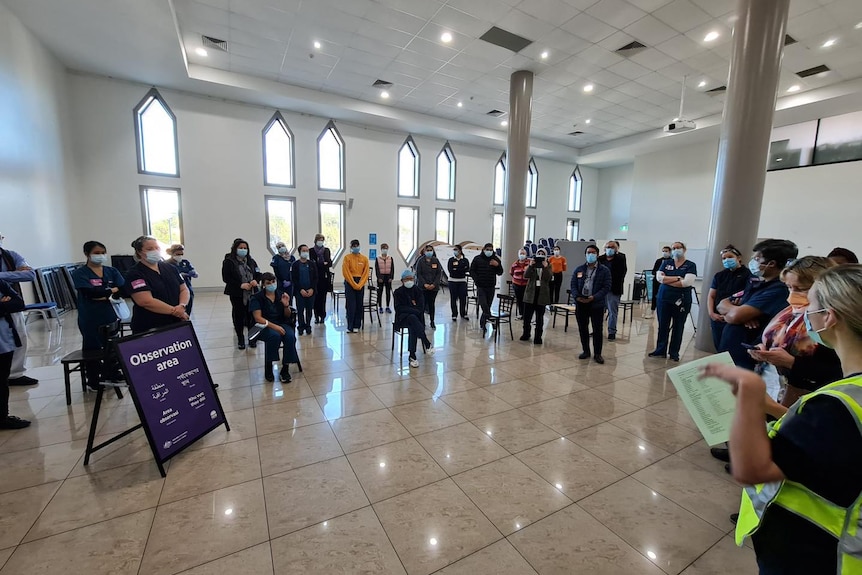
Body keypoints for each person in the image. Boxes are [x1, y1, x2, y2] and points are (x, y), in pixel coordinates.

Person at [701, 264, 862, 575]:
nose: (802, 311)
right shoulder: (846, 398)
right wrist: (773, 409)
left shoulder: (836, 403)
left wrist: (748, 395)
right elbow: (829, 440)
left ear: (829, 317)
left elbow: (751, 469)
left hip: (819, 554)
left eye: (810, 303)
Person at [748, 256, 842, 406]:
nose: (792, 294)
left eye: (800, 289)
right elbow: (767, 336)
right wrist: (760, 348)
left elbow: (839, 372)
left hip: (806, 398)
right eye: (789, 287)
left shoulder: (831, 320)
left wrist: (791, 362)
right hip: (770, 387)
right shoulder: (789, 311)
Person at [717, 239, 798, 370]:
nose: (753, 262)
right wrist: (737, 313)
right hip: (732, 354)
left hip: (748, 357)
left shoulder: (778, 289)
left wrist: (736, 315)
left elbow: (735, 316)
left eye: (757, 259)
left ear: (771, 263)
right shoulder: (758, 284)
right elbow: (722, 304)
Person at [71, 241, 126, 390]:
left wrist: (105, 293)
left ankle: (112, 373)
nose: (100, 255)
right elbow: (90, 293)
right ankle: (94, 379)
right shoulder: (80, 273)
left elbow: (122, 288)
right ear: (87, 254)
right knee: (92, 348)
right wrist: (110, 291)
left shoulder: (111, 271)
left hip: (110, 314)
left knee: (112, 345)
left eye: (103, 252)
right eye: (96, 253)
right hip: (90, 316)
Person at [126, 236, 189, 335]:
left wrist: (182, 306)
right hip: (150, 325)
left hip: (175, 321)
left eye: (157, 248)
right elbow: (145, 301)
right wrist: (176, 311)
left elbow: (184, 289)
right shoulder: (135, 274)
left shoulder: (170, 268)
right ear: (139, 252)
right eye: (149, 249)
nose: (155, 251)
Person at [649, 241, 697, 362]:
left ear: (684, 249)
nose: (676, 250)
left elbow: (687, 282)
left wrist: (667, 279)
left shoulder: (690, 265)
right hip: (664, 298)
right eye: (673, 248)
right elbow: (660, 278)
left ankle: (674, 352)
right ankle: (660, 350)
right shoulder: (666, 263)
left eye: (678, 248)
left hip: (682, 300)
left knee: (678, 326)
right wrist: (677, 278)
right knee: (663, 326)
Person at [0, 234, 38, 386]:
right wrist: (14, 275)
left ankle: (15, 374)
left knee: (19, 337)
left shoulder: (10, 256)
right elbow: (20, 274)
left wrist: (1, 276)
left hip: (11, 301)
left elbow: (29, 274)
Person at [249, 273, 298, 383]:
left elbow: (287, 315)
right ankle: (268, 367)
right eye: (268, 283)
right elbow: (258, 318)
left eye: (273, 282)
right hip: (263, 325)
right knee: (274, 336)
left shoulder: (280, 295)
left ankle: (285, 369)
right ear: (263, 285)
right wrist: (275, 327)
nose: (271, 285)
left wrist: (286, 305)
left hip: (281, 322)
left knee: (290, 336)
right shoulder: (257, 297)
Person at [572, 245, 612, 364]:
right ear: (585, 255)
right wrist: (577, 296)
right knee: (583, 328)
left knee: (597, 329)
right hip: (581, 303)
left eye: (593, 252)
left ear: (597, 254)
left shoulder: (604, 270)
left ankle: (598, 354)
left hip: (596, 304)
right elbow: (573, 284)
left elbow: (606, 287)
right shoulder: (579, 269)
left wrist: (594, 297)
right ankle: (586, 351)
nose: (591, 254)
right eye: (589, 252)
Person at [707, 245, 751, 350]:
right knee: (719, 348)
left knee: (731, 349)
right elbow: (711, 295)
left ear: (739, 258)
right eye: (724, 258)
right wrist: (711, 313)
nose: (727, 260)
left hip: (735, 319)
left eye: (730, 257)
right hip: (717, 319)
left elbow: (750, 296)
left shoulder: (748, 275)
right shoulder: (719, 276)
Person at [222, 238, 262, 349]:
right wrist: (240, 285)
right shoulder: (229, 261)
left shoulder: (251, 261)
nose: (243, 250)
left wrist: (256, 280)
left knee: (252, 316)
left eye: (245, 248)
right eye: (240, 248)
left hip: (252, 293)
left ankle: (252, 338)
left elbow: (258, 273)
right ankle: (240, 338)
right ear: (235, 249)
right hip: (237, 293)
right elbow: (226, 278)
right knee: (239, 316)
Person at [1, 279, 30, 429]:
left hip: (4, 340)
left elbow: (19, 303)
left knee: (2, 380)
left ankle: (2, 417)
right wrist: (5, 305)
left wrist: (3, 305)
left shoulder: (1, 283)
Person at [393, 269, 434, 368]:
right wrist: (413, 308)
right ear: (402, 280)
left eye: (411, 278)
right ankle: (426, 342)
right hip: (402, 319)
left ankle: (412, 356)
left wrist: (409, 309)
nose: (409, 281)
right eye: (407, 279)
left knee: (413, 322)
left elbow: (421, 308)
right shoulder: (398, 292)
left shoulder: (418, 291)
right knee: (413, 319)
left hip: (415, 318)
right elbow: (398, 308)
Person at [520, 248, 553, 345]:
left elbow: (549, 278)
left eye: (542, 254)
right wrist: (530, 266)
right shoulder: (532, 264)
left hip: (542, 295)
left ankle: (538, 337)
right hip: (530, 294)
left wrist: (545, 267)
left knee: (540, 317)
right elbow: (526, 275)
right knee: (527, 317)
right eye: (539, 253)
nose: (540, 255)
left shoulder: (548, 265)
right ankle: (526, 334)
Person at [470, 243, 503, 335]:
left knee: (488, 306)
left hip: (491, 286)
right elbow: (472, 270)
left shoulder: (495, 259)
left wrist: (497, 265)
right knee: (484, 305)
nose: (489, 251)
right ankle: (492, 321)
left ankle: (483, 323)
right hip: (481, 286)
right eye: (487, 249)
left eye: (491, 249)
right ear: (484, 249)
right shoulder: (477, 259)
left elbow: (500, 272)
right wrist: (476, 280)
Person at [598, 240, 627, 341]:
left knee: (612, 311)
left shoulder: (620, 258)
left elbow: (622, 273)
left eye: (612, 247)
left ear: (616, 249)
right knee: (598, 311)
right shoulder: (600, 259)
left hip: (613, 289)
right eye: (608, 247)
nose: (610, 249)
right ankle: (597, 330)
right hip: (601, 289)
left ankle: (612, 332)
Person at [342, 239, 369, 333]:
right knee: (351, 305)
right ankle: (350, 326)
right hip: (350, 282)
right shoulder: (347, 258)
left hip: (360, 283)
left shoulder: (364, 258)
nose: (355, 247)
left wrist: (360, 284)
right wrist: (353, 283)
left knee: (359, 304)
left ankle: (357, 325)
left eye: (357, 245)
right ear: (351, 247)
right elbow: (346, 272)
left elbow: (365, 273)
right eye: (353, 246)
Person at [290, 245, 317, 335]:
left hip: (310, 291)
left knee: (309, 309)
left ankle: (308, 325)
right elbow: (294, 279)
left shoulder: (312, 264)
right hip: (299, 292)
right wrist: (300, 289)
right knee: (300, 310)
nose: (305, 252)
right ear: (299, 252)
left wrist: (312, 289)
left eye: (307, 250)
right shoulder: (295, 264)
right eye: (303, 250)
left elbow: (315, 278)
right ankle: (301, 326)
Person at [415, 244, 443, 329]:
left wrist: (434, 284)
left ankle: (432, 321)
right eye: (428, 250)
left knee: (431, 304)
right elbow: (419, 274)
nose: (429, 252)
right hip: (423, 287)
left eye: (431, 250)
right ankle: (422, 322)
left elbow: (439, 273)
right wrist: (425, 284)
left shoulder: (436, 260)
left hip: (434, 288)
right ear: (424, 251)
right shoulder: (420, 261)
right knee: (422, 305)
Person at [166, 244, 198, 316]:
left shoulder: (185, 262)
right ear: (172, 253)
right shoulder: (166, 264)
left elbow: (193, 271)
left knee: (187, 310)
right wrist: (180, 275)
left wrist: (193, 273)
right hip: (174, 291)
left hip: (187, 289)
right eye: (177, 254)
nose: (180, 256)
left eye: (181, 254)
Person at [308, 233, 333, 324]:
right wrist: (323, 264)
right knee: (315, 297)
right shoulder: (311, 251)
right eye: (319, 240)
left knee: (323, 298)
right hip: (315, 278)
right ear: (315, 240)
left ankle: (322, 315)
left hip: (324, 278)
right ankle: (316, 316)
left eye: (322, 240)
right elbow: (312, 264)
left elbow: (330, 263)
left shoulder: (326, 250)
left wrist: (322, 264)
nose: (320, 241)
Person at [645, 247, 671, 320]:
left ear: (669, 252)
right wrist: (658, 274)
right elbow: (653, 271)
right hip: (657, 281)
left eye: (666, 251)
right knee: (655, 296)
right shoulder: (659, 261)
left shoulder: (672, 261)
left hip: (666, 281)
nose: (664, 252)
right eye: (663, 251)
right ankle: (652, 312)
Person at [447, 245, 469, 321]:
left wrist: (457, 269)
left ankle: (463, 313)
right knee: (453, 298)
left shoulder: (465, 260)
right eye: (454, 249)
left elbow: (466, 270)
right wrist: (460, 269)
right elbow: (451, 271)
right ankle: (454, 314)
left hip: (462, 281)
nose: (454, 251)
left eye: (456, 249)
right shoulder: (451, 260)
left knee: (463, 298)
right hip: (452, 281)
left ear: (460, 250)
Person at [510, 248, 529, 319]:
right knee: (519, 300)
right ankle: (521, 314)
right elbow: (511, 273)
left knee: (526, 300)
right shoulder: (514, 264)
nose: (522, 255)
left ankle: (526, 314)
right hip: (516, 284)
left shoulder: (529, 263)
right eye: (521, 253)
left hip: (526, 285)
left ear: (526, 255)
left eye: (523, 254)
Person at [375, 243, 394, 314]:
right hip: (381, 277)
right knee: (379, 292)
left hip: (388, 277)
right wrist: (379, 277)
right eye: (383, 248)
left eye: (386, 248)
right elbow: (377, 269)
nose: (384, 250)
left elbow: (392, 268)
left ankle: (388, 306)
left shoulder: (390, 258)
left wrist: (391, 277)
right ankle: (380, 307)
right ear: (381, 249)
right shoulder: (378, 258)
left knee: (388, 292)